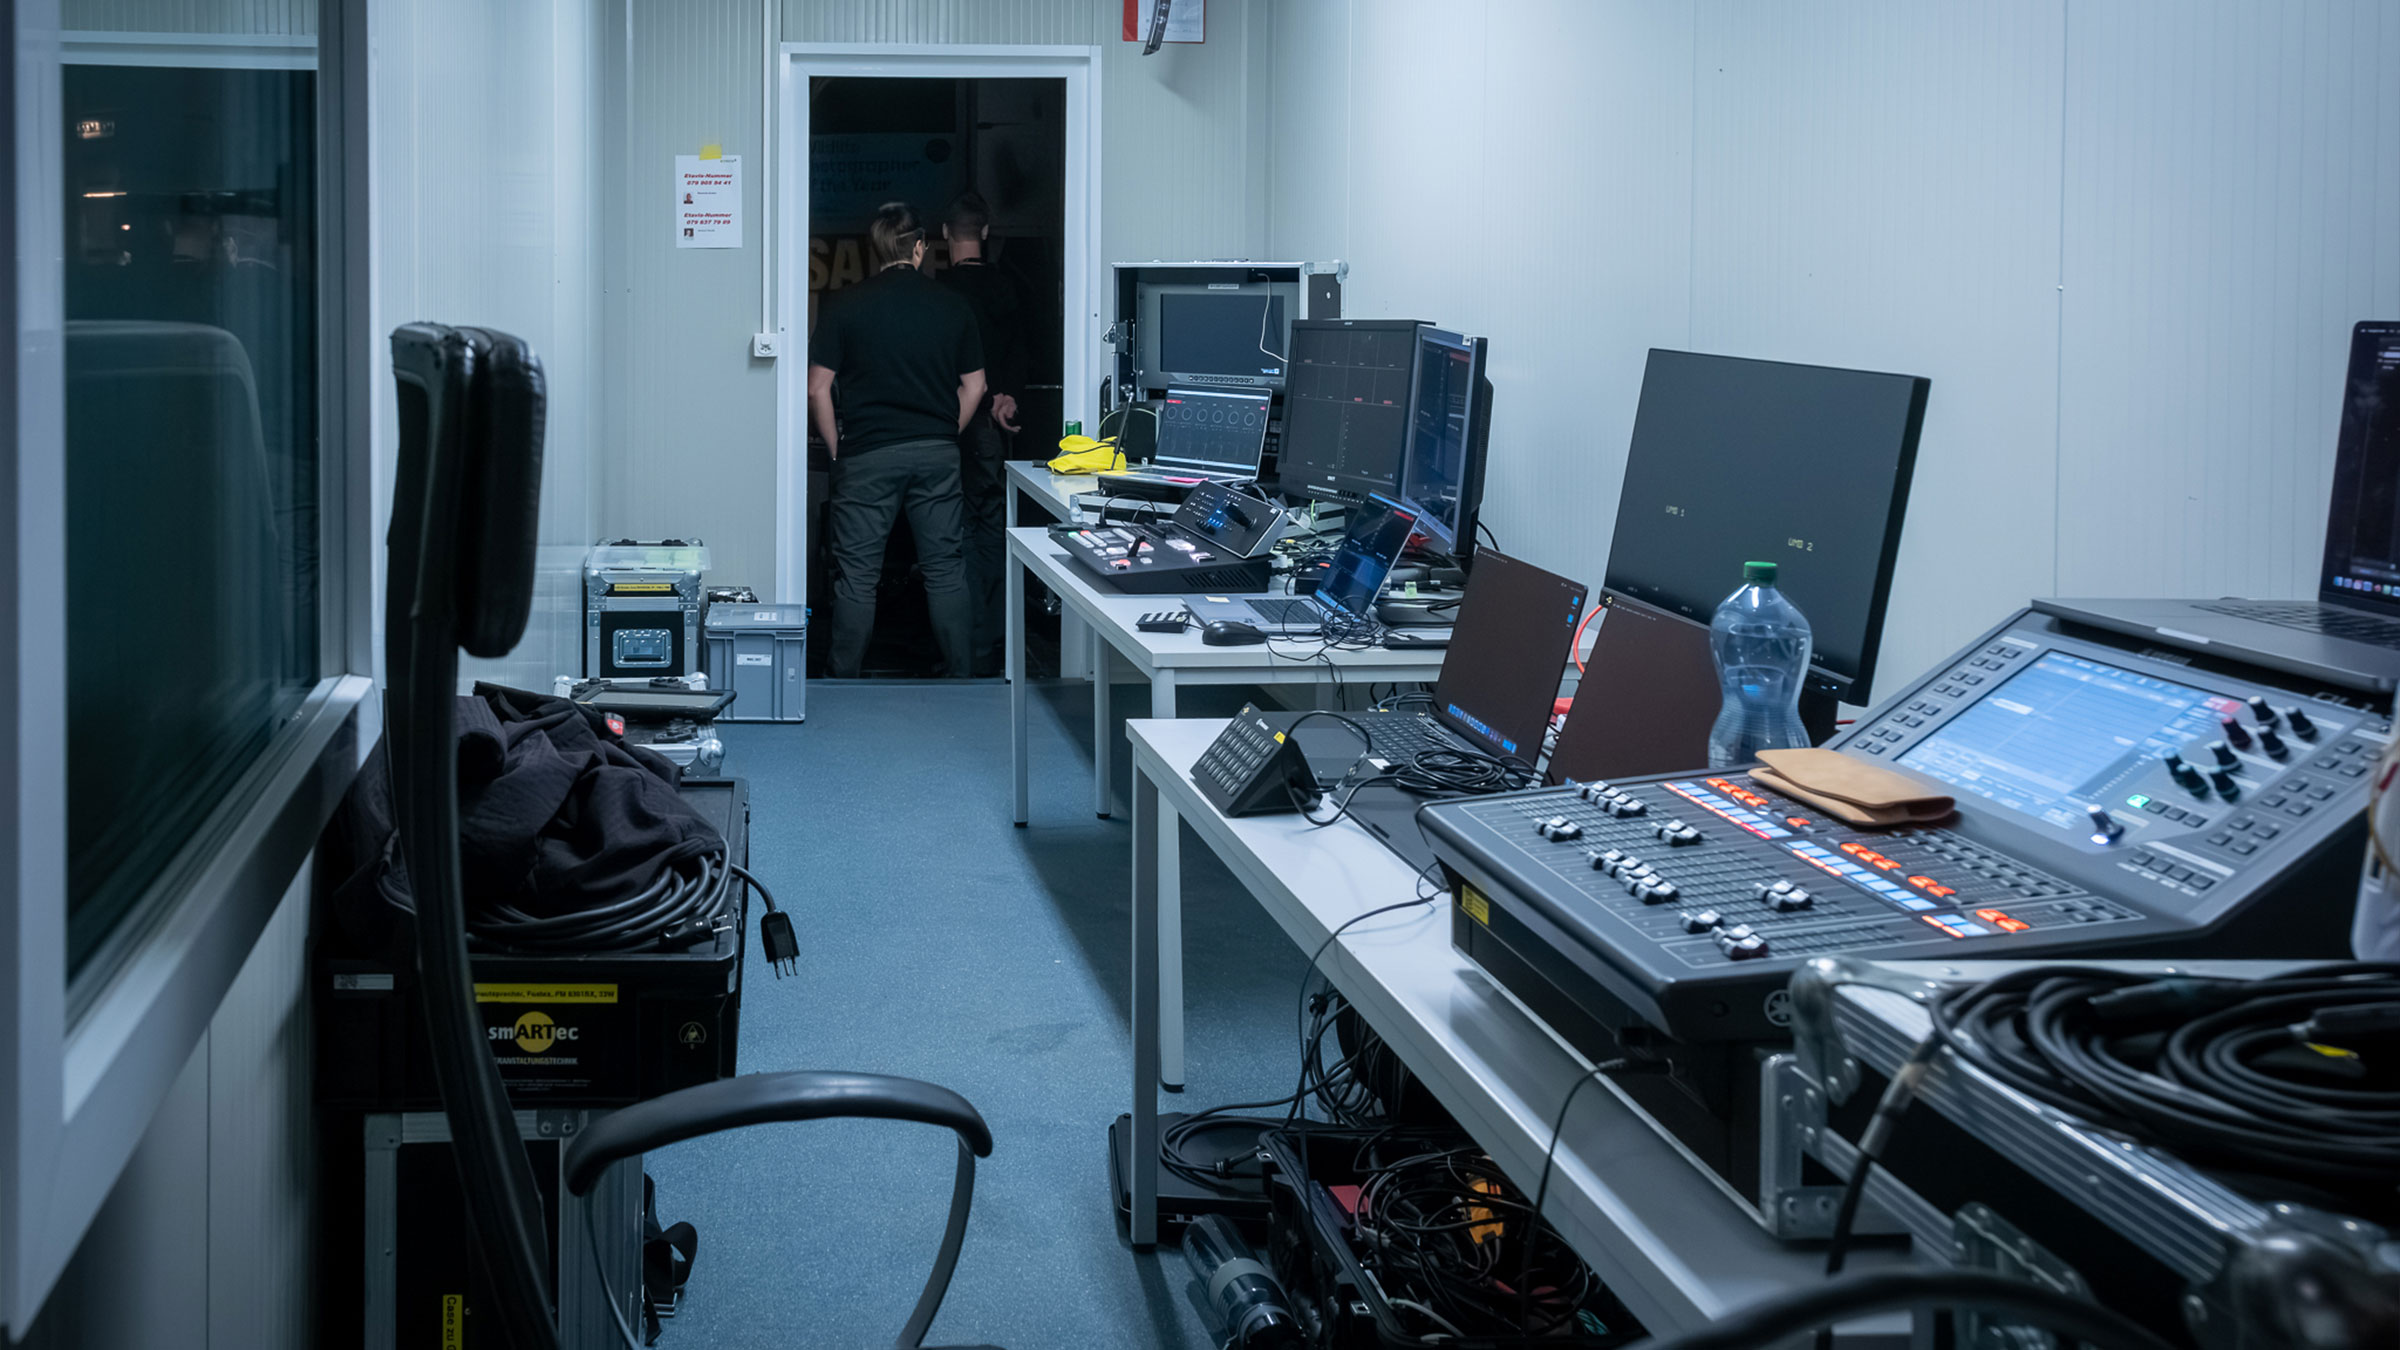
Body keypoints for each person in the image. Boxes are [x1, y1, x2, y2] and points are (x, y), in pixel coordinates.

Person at [807, 201, 986, 678]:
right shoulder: (952, 305)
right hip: (936, 454)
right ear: (921, 247)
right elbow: (976, 386)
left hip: (866, 455)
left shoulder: (845, 304)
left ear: (878, 249)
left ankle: (842, 678)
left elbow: (817, 387)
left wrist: (838, 448)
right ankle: (963, 677)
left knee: (858, 577)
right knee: (946, 569)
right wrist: (946, 432)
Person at [936, 192, 1029, 676]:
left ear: (946, 235)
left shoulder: (939, 293)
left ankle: (955, 648)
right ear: (986, 233)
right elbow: (1018, 351)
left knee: (946, 531)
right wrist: (1005, 395)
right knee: (990, 527)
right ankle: (989, 643)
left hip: (944, 425)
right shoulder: (1007, 288)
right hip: (991, 427)